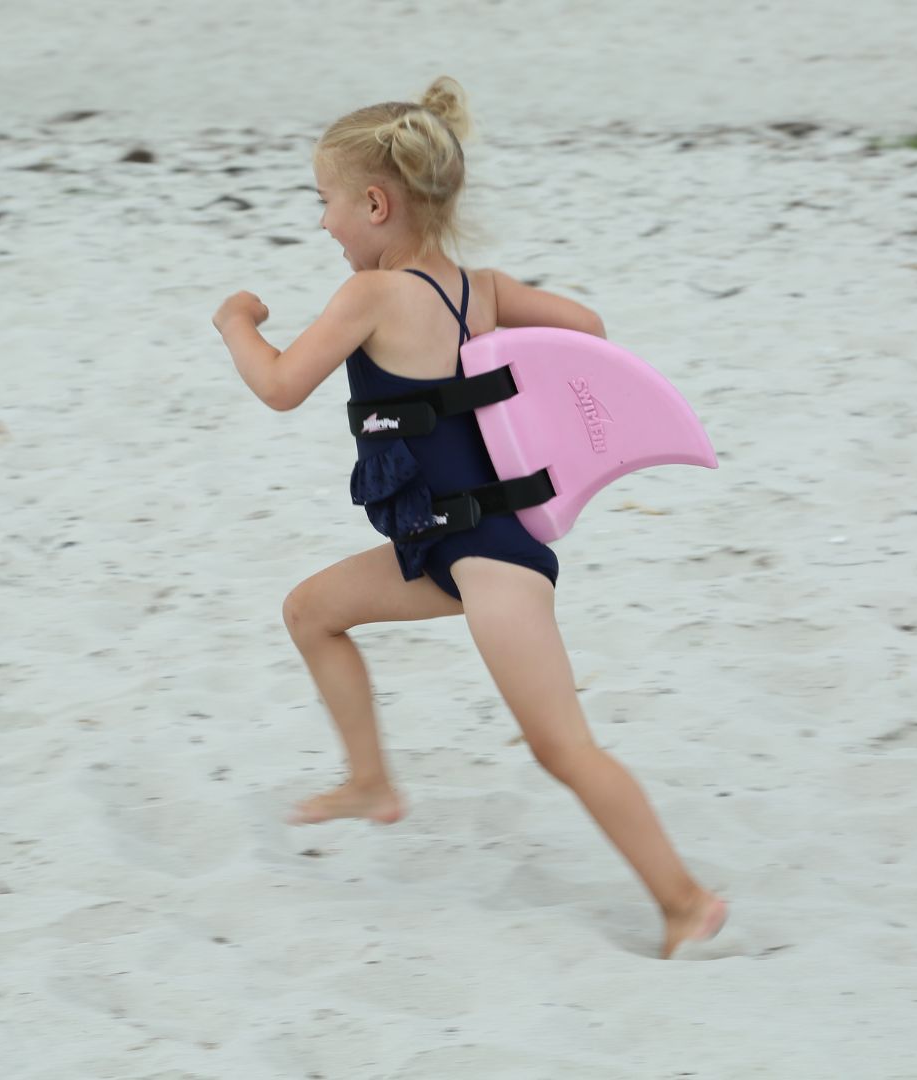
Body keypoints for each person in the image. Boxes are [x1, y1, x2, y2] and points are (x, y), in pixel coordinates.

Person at [212, 76, 726, 958]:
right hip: (445, 543)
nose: (325, 223)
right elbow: (588, 327)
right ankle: (369, 780)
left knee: (561, 748)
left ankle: (685, 902)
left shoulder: (370, 297)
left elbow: (279, 385)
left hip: (489, 560)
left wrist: (235, 320)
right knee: (312, 610)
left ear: (375, 203)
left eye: (327, 203)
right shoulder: (475, 288)